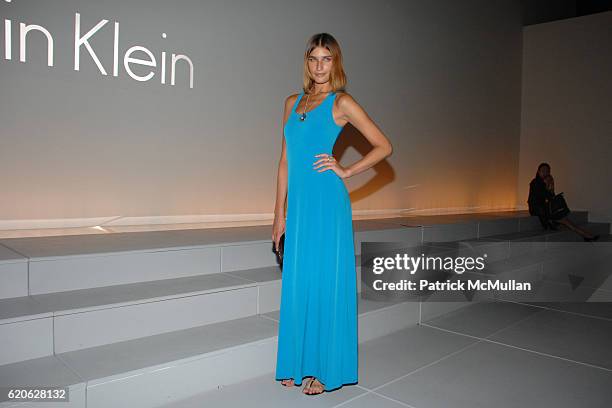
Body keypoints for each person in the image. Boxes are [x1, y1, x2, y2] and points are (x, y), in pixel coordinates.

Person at [272, 33, 393, 395]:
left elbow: (384, 145)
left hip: (327, 203)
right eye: (313, 58)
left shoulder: (341, 102)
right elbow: (284, 162)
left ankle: (325, 369)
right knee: (301, 281)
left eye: (326, 59)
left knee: (326, 282)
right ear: (306, 62)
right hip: (301, 207)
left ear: (335, 63)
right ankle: (299, 362)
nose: (319, 66)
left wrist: (348, 171)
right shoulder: (292, 103)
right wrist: (278, 214)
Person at [527, 162, 599, 241]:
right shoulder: (535, 182)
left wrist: (551, 185)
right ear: (538, 171)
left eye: (547, 171)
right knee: (563, 219)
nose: (545, 173)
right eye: (543, 170)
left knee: (563, 218)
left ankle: (584, 234)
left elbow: (552, 197)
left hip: (545, 207)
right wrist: (547, 185)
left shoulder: (545, 182)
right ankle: (584, 234)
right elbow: (544, 196)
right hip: (536, 209)